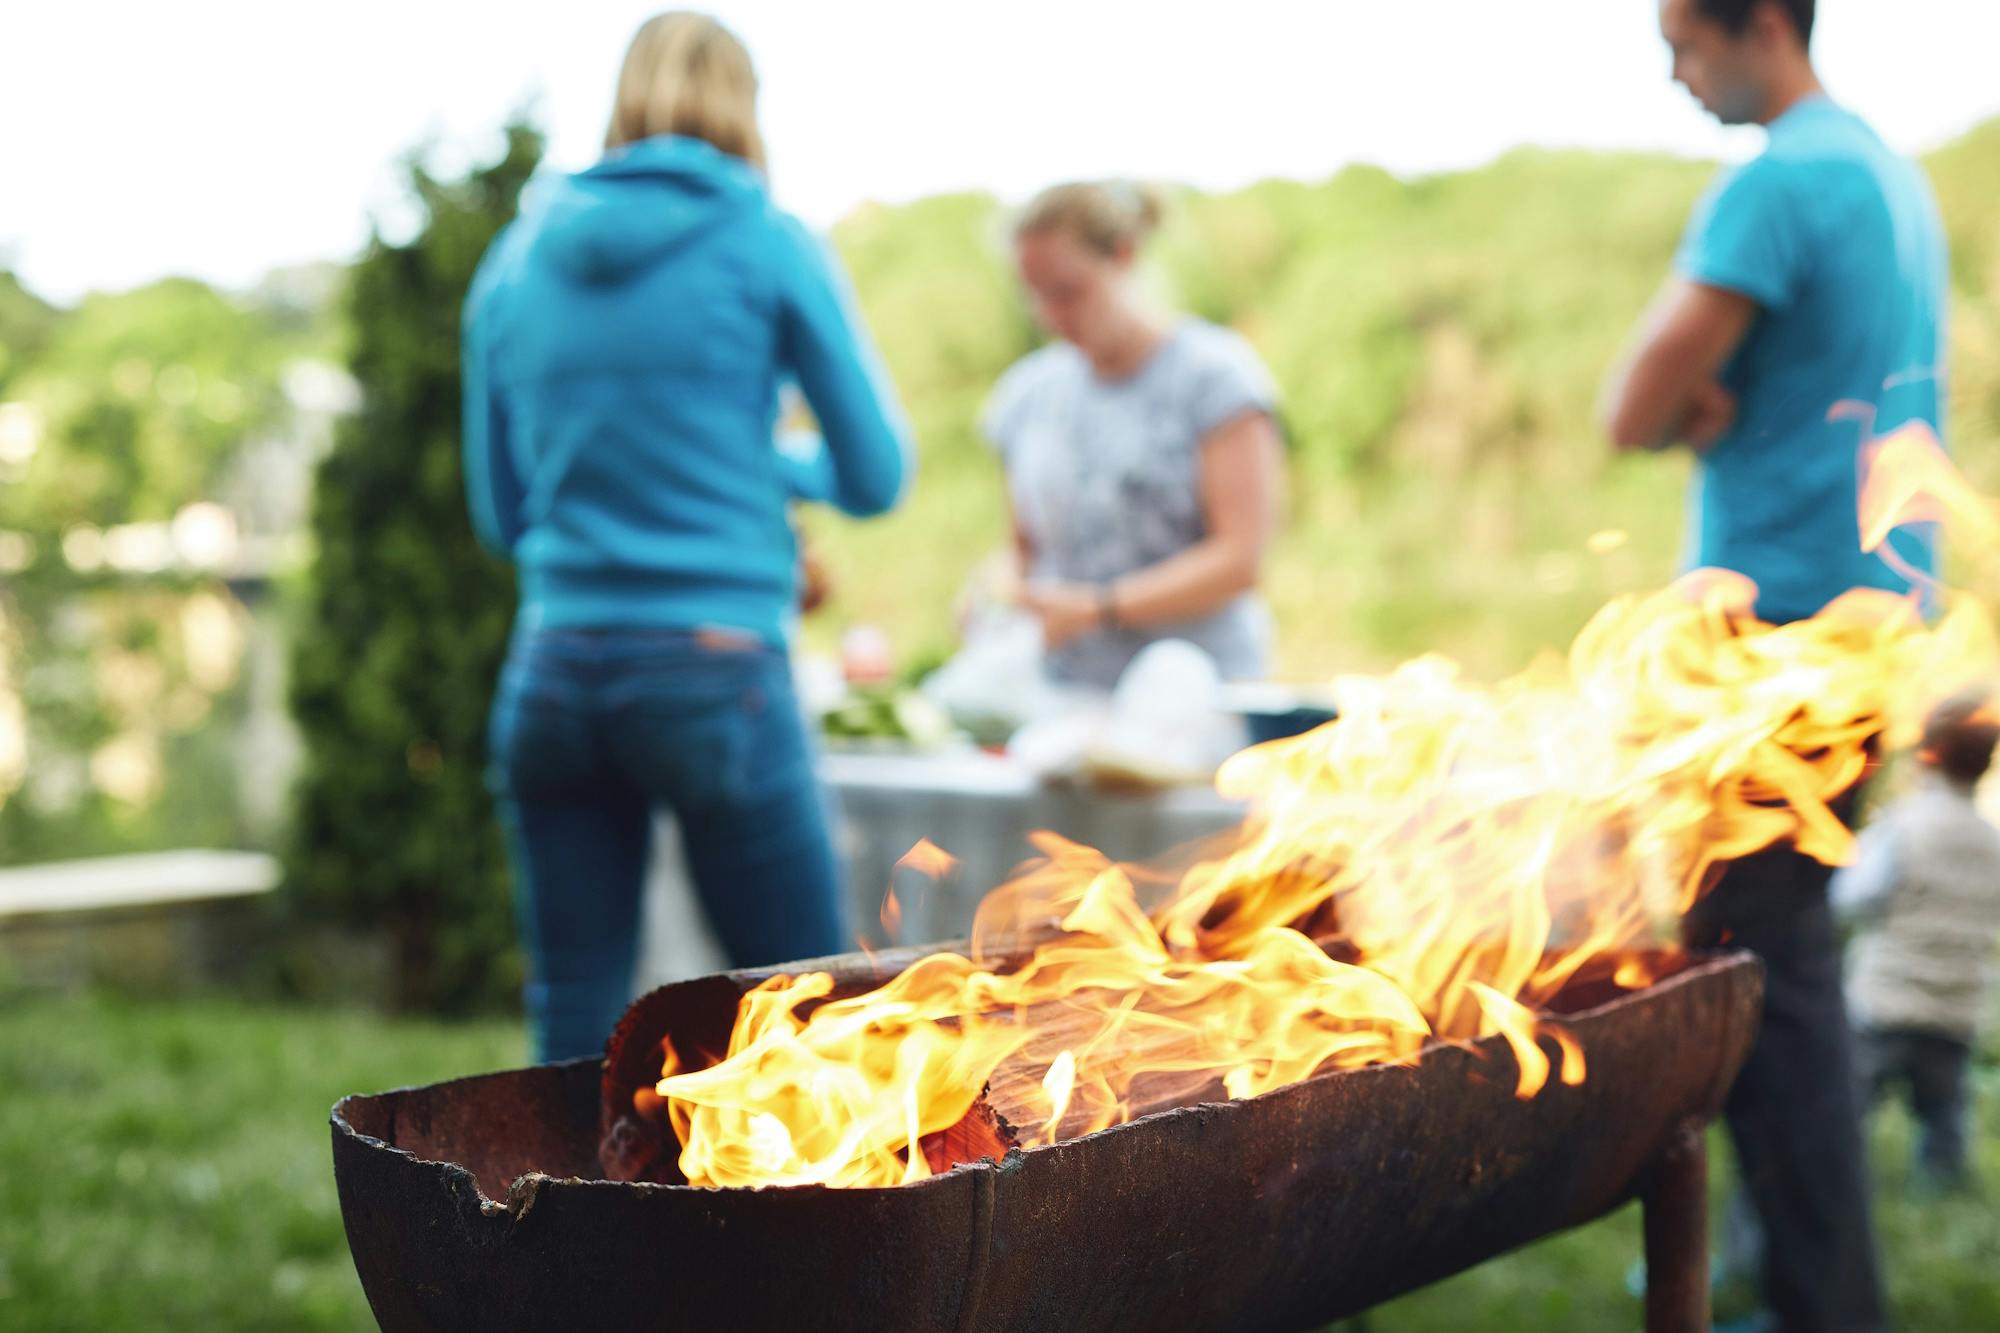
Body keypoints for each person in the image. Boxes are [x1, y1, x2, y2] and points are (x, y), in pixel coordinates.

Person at [461, 12, 913, 1062]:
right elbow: (875, 475)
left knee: (573, 1018)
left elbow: (504, 517)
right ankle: (821, 1233)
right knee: (805, 1010)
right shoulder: (764, 239)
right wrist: (760, 463)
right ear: (741, 105)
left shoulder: (515, 259)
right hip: (716, 675)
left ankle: (561, 1227)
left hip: (554, 671)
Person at [1600, 1, 1949, 1327]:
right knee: (1779, 957)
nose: (1671, 73)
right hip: (1870, 617)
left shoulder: (1780, 182)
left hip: (1771, 636)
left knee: (1761, 972)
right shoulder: (1885, 172)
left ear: (1752, 20)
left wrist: (1688, 401)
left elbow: (1630, 402)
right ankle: (1783, 1275)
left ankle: (1821, 1300)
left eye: (1680, 41)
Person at [982, 181, 1286, 692]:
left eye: (1067, 291)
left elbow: (1240, 559)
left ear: (1123, 257)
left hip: (1199, 695)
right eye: (1035, 295)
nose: (1052, 316)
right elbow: (1023, 550)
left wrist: (1100, 608)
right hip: (1068, 694)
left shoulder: (1216, 380)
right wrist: (997, 593)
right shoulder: (1025, 395)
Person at [1835, 693, 2000, 1191]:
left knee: (1849, 1105)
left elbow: (1852, 896)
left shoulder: (1902, 826)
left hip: (1887, 999)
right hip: (1956, 1003)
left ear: (1927, 753)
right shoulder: (1992, 841)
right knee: (1944, 1110)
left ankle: (1842, 1179)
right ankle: (1941, 1193)